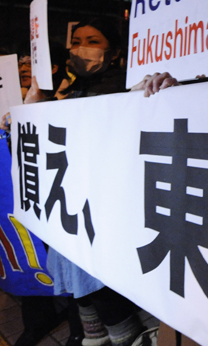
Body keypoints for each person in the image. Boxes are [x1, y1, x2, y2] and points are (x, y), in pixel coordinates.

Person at [29, 17, 148, 346]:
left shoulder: (127, 85)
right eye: (77, 41)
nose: (81, 48)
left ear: (115, 51)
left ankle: (123, 335)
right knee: (75, 270)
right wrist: (35, 109)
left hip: (104, 200)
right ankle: (93, 334)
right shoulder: (66, 88)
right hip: (68, 195)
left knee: (99, 278)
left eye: (93, 41)